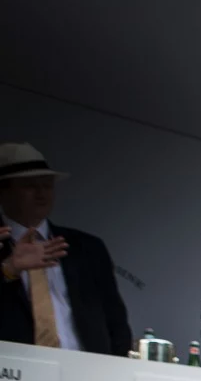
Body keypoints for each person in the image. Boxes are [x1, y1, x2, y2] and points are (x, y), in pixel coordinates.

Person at [0, 142, 132, 354]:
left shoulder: (87, 248)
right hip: (14, 375)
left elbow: (116, 324)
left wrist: (112, 373)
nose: (42, 193)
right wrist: (8, 269)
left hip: (85, 375)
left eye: (47, 184)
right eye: (30, 185)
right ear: (4, 191)